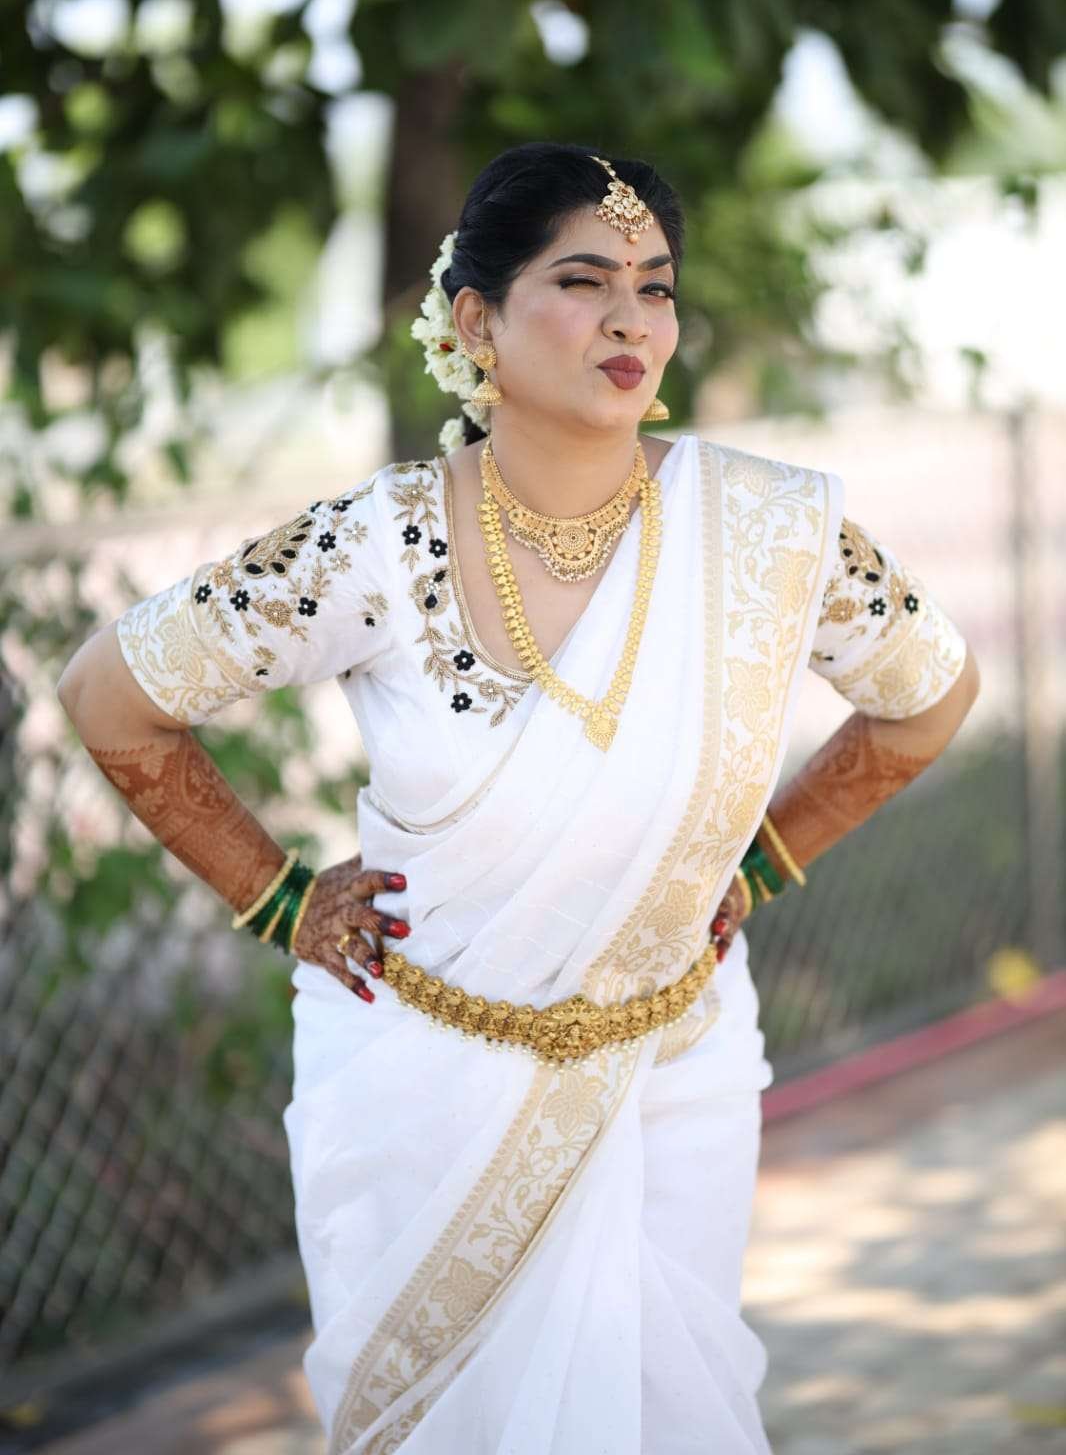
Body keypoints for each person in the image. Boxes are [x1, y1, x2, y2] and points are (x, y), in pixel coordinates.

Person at [57, 142, 979, 1454]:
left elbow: (929, 695)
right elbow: (111, 694)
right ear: (475, 320)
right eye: (584, 281)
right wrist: (277, 900)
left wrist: (767, 861)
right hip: (421, 1083)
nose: (630, 320)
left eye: (655, 288)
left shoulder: (767, 535)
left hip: (669, 1075)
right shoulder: (375, 545)